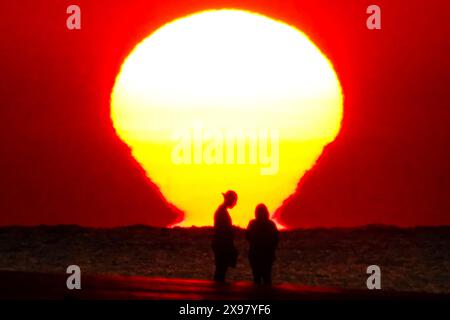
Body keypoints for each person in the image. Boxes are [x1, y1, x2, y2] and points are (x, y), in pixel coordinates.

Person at [246, 204, 279, 285]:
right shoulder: (271, 224)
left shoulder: (252, 224)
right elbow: (276, 239)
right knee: (267, 277)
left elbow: (248, 237)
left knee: (256, 278)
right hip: (267, 255)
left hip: (255, 255)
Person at [212, 190, 238, 282]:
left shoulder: (221, 211)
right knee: (221, 270)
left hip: (220, 244)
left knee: (220, 270)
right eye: (235, 201)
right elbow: (223, 231)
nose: (235, 203)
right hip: (222, 245)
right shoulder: (222, 212)